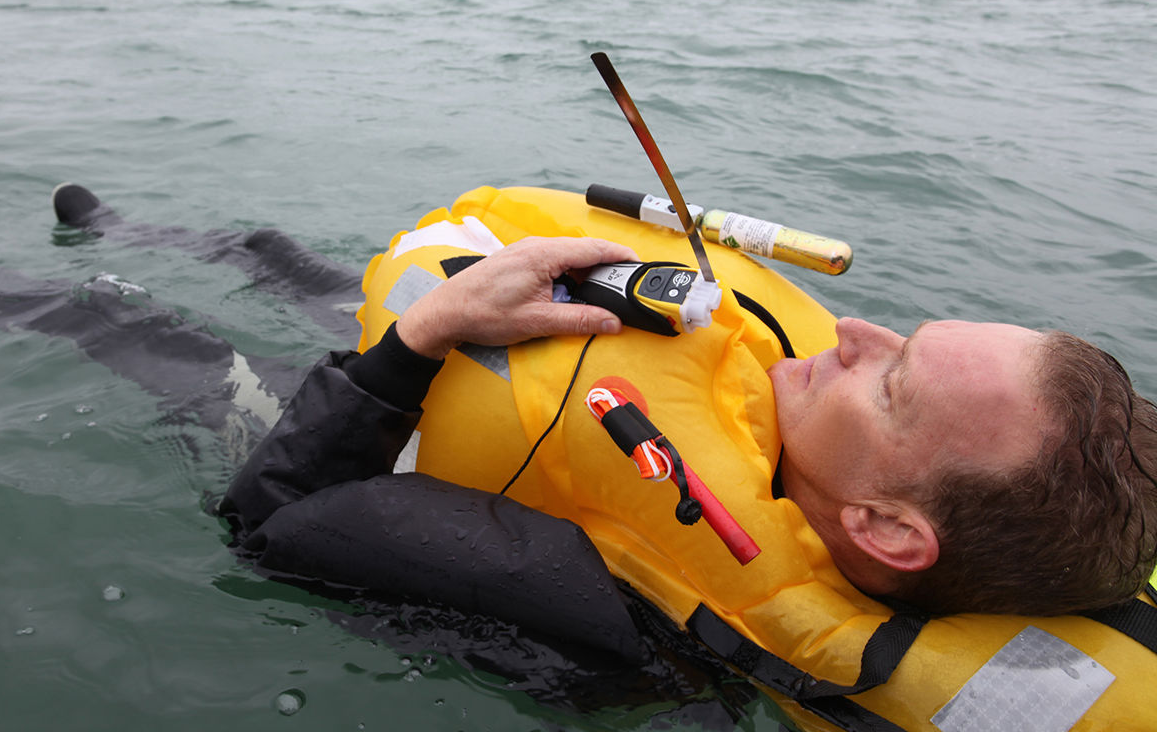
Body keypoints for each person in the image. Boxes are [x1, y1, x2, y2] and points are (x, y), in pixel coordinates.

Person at [220, 234, 1157, 620]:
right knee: (271, 255)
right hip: (478, 367)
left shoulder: (611, 611)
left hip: (335, 425)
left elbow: (268, 523)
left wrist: (424, 333)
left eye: (893, 381)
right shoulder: (862, 463)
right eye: (905, 335)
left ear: (885, 527)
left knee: (156, 332)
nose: (855, 331)